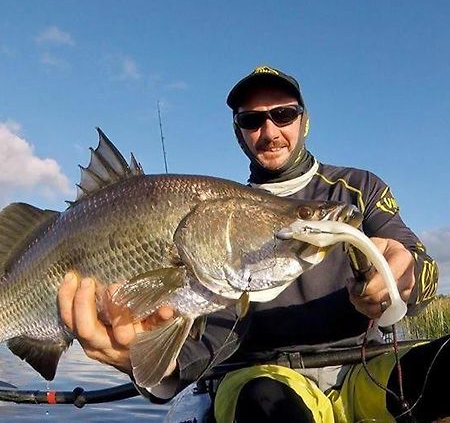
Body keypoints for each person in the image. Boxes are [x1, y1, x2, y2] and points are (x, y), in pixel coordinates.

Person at [58, 66, 447, 422]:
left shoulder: (360, 189)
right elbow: (206, 341)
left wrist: (406, 276)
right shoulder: (219, 222)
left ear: (304, 121)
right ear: (238, 131)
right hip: (262, 382)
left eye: (284, 114)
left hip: (367, 373)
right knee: (266, 401)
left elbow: (420, 266)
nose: (270, 130)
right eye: (252, 119)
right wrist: (142, 360)